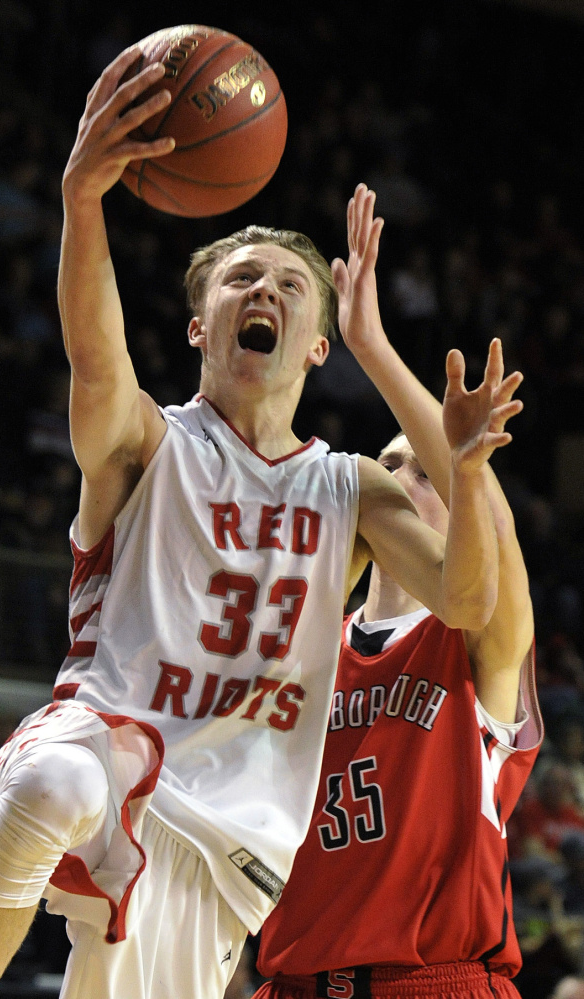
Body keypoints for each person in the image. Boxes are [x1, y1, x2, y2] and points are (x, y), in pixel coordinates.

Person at [0, 48, 515, 999]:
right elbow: (92, 359)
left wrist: (470, 466)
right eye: (241, 277)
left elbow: (466, 596)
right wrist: (83, 203)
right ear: (200, 323)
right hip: (109, 740)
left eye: (289, 283)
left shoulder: (352, 488)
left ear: (319, 345)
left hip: (231, 836)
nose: (265, 291)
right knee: (53, 787)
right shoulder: (145, 442)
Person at [253, 188, 543, 999]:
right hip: (293, 982)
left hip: (432, 980)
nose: (399, 474)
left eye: (422, 470)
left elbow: (494, 535)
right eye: (390, 463)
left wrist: (372, 348)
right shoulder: (303, 644)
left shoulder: (477, 638)